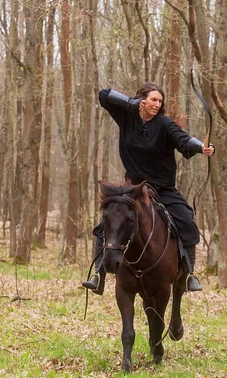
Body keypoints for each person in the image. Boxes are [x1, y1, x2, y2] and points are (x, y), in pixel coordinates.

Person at [82, 83, 214, 295]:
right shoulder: (127, 116)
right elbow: (104, 95)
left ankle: (189, 274)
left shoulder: (165, 124)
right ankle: (98, 274)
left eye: (160, 101)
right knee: (107, 223)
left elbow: (183, 139)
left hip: (162, 189)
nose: (157, 104)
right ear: (142, 100)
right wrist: (132, 104)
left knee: (187, 221)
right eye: (153, 99)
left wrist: (200, 147)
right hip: (133, 189)